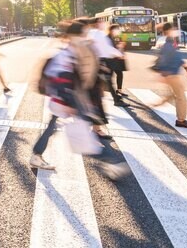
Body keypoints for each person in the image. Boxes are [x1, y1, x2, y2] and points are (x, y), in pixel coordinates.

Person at [30, 20, 130, 181]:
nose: (86, 37)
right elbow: (61, 79)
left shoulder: (73, 51)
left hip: (67, 100)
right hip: (67, 101)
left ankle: (36, 154)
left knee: (53, 128)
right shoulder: (65, 55)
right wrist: (70, 103)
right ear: (73, 36)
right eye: (83, 34)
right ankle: (111, 163)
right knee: (81, 136)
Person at [152, 22, 187, 129]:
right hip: (171, 74)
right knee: (181, 97)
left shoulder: (171, 42)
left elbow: (177, 57)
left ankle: (155, 104)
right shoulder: (167, 44)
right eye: (173, 29)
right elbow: (165, 59)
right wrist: (164, 73)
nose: (175, 31)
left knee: (174, 95)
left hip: (171, 73)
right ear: (168, 31)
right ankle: (181, 120)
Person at [86, 18, 128, 108]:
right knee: (107, 80)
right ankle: (116, 100)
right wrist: (119, 54)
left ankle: (114, 99)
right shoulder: (99, 34)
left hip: (96, 61)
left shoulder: (92, 33)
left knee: (103, 81)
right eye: (101, 22)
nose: (104, 24)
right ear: (97, 24)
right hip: (101, 61)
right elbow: (107, 48)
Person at [109, 24, 128, 97]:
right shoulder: (108, 38)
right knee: (109, 77)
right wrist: (118, 48)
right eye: (117, 29)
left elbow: (122, 46)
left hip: (117, 59)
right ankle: (112, 93)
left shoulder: (119, 37)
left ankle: (119, 90)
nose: (118, 31)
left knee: (119, 74)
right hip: (110, 60)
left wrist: (122, 47)